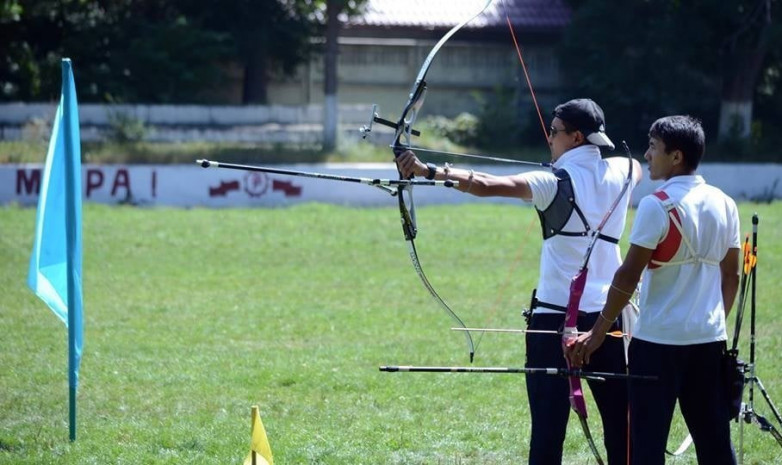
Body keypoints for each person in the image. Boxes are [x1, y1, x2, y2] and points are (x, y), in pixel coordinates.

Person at [396, 98, 643, 464]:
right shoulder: (626, 169)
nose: (549, 139)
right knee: (622, 432)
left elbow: (486, 184)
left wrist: (427, 170)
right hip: (608, 322)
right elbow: (624, 165)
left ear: (575, 137)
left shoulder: (549, 182)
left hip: (553, 322)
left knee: (547, 429)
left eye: (554, 132)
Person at [565, 115, 741, 464]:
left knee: (645, 445)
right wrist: (712, 323)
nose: (647, 155)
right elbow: (731, 276)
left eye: (654, 148)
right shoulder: (725, 202)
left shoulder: (656, 204)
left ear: (676, 157)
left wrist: (597, 333)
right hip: (708, 340)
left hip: (658, 344)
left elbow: (627, 276)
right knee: (715, 442)